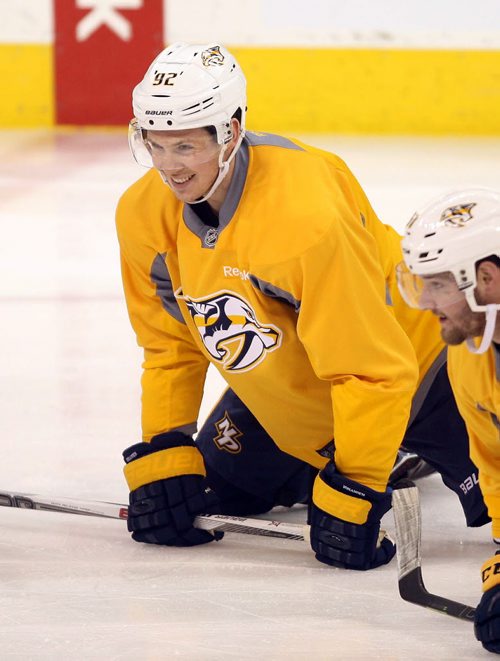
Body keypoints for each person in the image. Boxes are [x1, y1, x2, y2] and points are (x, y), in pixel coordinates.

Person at [115, 42, 486, 572]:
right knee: (204, 494)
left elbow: (372, 366)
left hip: (427, 375)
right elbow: (170, 344)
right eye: (157, 145)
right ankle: (366, 454)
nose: (171, 168)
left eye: (187, 147)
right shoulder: (141, 214)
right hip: (291, 397)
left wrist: (355, 483)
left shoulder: (305, 215)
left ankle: (403, 448)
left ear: (231, 133)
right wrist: (166, 444)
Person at [396, 188, 500, 654]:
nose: (424, 303)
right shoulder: (469, 354)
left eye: (437, 285)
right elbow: (494, 463)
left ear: (487, 278)